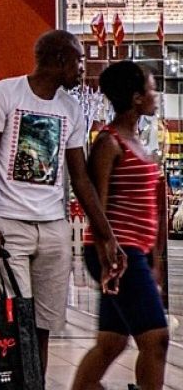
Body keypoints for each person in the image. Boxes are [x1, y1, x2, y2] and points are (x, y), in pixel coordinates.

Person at [0, 29, 125, 382]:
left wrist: (106, 236)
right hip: (10, 225)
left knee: (43, 324)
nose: (81, 68)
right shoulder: (5, 94)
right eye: (77, 60)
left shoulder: (70, 109)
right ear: (59, 60)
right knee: (16, 321)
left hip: (53, 227)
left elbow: (80, 178)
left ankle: (35, 384)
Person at [71, 61, 169, 390]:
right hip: (117, 253)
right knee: (156, 338)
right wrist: (107, 253)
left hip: (134, 252)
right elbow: (95, 204)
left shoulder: (138, 141)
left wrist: (155, 256)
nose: (156, 95)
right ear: (137, 97)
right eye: (152, 89)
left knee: (111, 342)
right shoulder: (109, 143)